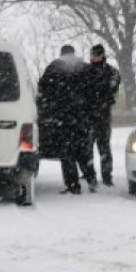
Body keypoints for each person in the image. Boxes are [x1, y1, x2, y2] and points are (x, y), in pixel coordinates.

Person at [37, 45, 99, 194]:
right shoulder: (85, 68)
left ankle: (73, 185)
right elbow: (95, 91)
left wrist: (46, 110)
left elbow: (42, 89)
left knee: (67, 153)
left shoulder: (53, 68)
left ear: (61, 54)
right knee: (84, 151)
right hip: (82, 118)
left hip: (62, 118)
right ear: (74, 53)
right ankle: (91, 180)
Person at [87, 43, 121, 186]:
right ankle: (90, 176)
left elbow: (112, 88)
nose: (92, 57)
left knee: (104, 147)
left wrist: (102, 97)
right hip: (88, 116)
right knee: (87, 148)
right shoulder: (86, 71)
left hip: (103, 115)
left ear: (101, 55)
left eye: (95, 55)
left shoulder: (111, 72)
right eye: (91, 55)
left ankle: (107, 176)